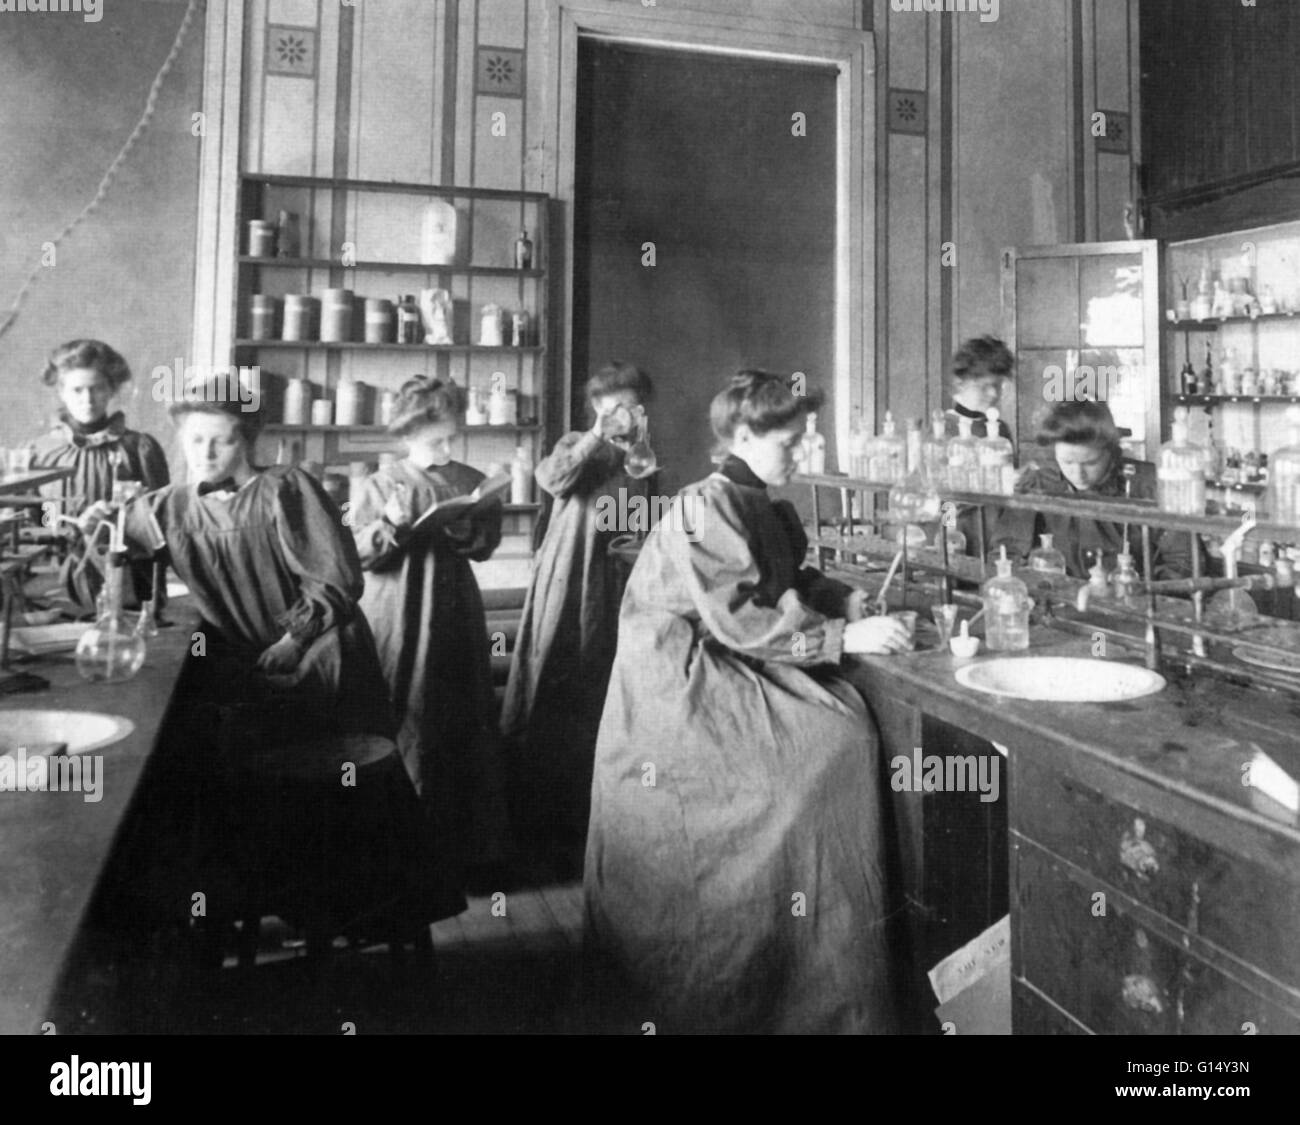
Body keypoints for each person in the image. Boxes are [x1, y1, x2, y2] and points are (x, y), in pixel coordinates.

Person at [584, 370, 912, 1034]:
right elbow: (743, 619)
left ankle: (818, 965)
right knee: (830, 740)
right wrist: (846, 635)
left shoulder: (755, 497)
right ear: (741, 434)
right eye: (789, 443)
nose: (800, 455)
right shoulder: (707, 505)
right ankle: (786, 974)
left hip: (728, 654)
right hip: (679, 686)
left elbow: (783, 578)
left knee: (840, 725)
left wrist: (838, 598)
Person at [351, 376, 509, 885]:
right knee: (406, 708)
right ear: (407, 434)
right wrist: (390, 525)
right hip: (398, 606)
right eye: (435, 439)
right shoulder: (380, 483)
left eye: (450, 438)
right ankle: (401, 853)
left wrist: (468, 520)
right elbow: (360, 555)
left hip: (453, 607)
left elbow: (483, 545)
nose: (445, 448)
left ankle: (463, 850)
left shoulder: (467, 476)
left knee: (459, 714)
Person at [500, 361, 654, 869]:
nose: (623, 415)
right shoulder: (576, 444)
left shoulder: (642, 457)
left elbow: (643, 516)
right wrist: (596, 435)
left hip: (615, 585)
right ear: (596, 408)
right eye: (612, 407)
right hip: (568, 584)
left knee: (604, 695)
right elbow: (552, 479)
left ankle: (593, 828)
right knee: (551, 689)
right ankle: (539, 830)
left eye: (631, 406)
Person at [988, 399, 1196, 579]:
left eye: (1090, 463)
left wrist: (1135, 588)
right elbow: (1006, 553)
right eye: (1067, 462)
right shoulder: (1037, 485)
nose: (1078, 474)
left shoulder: (1151, 486)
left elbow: (1186, 564)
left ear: (1111, 451)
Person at [32, 339, 169, 606]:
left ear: (111, 390)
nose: (87, 399)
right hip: (58, 587)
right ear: (61, 392)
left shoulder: (139, 449)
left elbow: (161, 524)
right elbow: (42, 516)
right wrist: (61, 528)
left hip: (128, 581)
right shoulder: (43, 453)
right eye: (77, 390)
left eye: (97, 389)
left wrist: (119, 522)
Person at [944, 335, 1015, 441]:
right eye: (984, 386)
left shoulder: (1001, 429)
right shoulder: (944, 429)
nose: (994, 393)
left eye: (997, 385)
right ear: (959, 383)